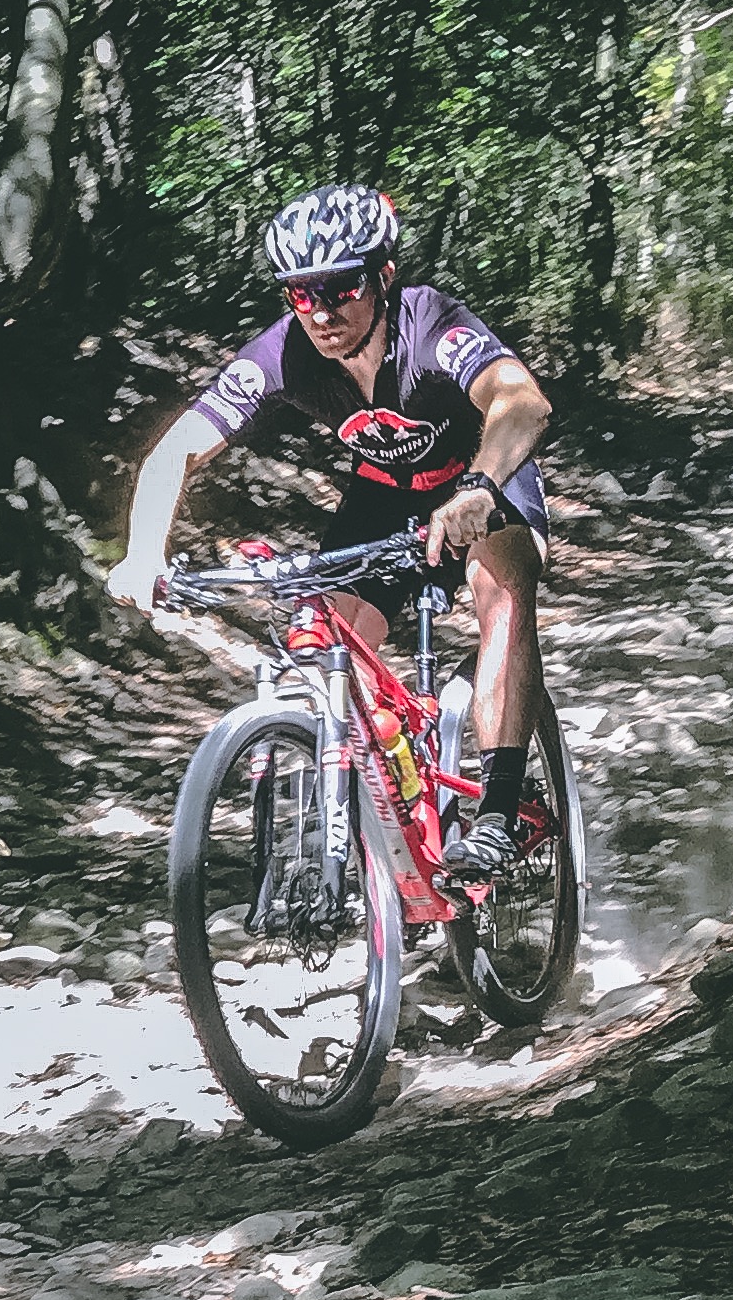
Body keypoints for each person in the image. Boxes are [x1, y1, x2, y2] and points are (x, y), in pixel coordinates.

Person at [105, 184, 559, 877]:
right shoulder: (282, 352)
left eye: (340, 288)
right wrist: (143, 554)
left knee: (500, 588)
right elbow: (177, 449)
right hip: (383, 498)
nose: (320, 312)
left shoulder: (432, 324)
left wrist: (480, 486)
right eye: (300, 293)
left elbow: (522, 401)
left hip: (479, 478)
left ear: (383, 276)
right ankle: (390, 816)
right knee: (330, 647)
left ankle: (497, 812)